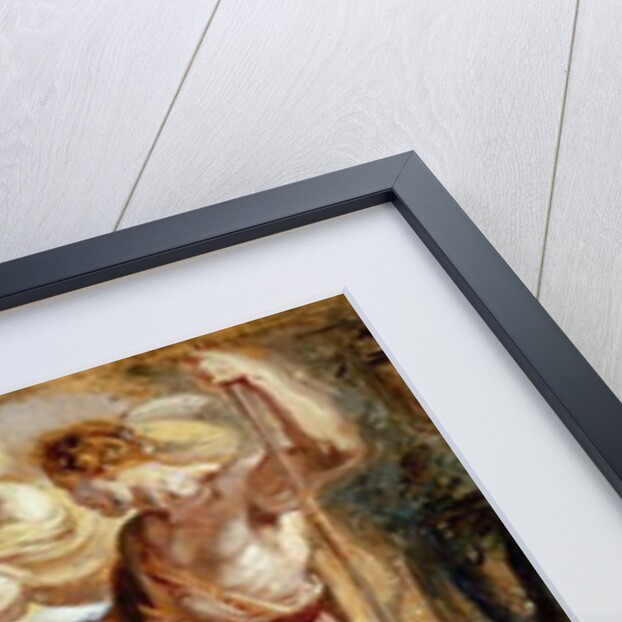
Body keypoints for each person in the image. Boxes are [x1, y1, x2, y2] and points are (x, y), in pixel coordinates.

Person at [35, 352, 366, 622]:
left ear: (99, 467)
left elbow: (334, 449)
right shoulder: (137, 537)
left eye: (71, 488)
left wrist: (259, 380)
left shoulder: (235, 486)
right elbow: (133, 614)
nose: (79, 503)